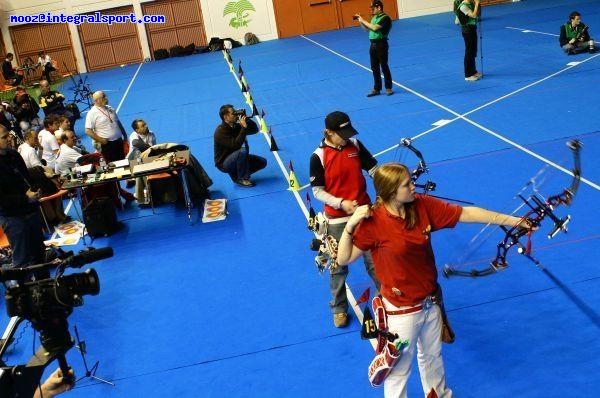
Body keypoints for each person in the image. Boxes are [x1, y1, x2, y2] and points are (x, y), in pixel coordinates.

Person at [337, 162, 532, 397]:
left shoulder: (420, 205)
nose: (413, 186)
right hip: (401, 311)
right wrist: (350, 226)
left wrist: (514, 221)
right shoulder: (373, 222)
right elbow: (344, 258)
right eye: (406, 184)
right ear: (390, 191)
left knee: (432, 357)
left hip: (430, 302)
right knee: (399, 370)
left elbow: (466, 213)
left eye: (411, 180)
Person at [309, 111, 380, 328]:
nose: (346, 137)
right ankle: (339, 307)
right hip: (338, 219)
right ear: (328, 133)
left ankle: (386, 299)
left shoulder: (355, 145)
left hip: (365, 213)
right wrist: (341, 203)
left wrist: (385, 188)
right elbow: (318, 191)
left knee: (375, 260)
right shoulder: (318, 156)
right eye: (341, 134)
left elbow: (374, 169)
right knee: (338, 265)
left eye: (348, 133)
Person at [0, 125, 46, 268]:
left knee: (40, 255)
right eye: (4, 137)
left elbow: (26, 179)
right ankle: (23, 289)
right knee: (22, 261)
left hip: (30, 211)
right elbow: (2, 200)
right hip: (13, 218)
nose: (9, 138)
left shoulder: (14, 155)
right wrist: (26, 198)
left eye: (8, 135)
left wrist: (35, 191)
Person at [85, 91, 135, 204]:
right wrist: (101, 140)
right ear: (96, 100)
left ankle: (127, 182)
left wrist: (124, 134)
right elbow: (88, 131)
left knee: (123, 164)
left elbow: (117, 122)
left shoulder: (110, 108)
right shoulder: (92, 113)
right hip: (107, 146)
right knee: (111, 170)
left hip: (118, 142)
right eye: (103, 97)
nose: (106, 98)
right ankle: (116, 195)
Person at [213, 105, 267, 187]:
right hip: (223, 163)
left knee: (262, 162)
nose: (235, 114)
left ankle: (236, 175)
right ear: (226, 117)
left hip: (235, 156)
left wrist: (246, 119)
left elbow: (254, 130)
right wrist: (243, 128)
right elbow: (236, 146)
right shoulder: (220, 131)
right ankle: (242, 178)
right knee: (242, 151)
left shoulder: (235, 126)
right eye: (233, 113)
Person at [354, 1, 394, 97]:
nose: (372, 10)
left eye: (373, 8)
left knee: (384, 66)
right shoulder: (374, 18)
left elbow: (375, 28)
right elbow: (367, 30)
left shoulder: (385, 18)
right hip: (372, 45)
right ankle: (377, 88)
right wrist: (361, 22)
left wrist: (363, 20)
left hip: (381, 44)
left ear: (379, 8)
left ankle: (388, 87)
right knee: (374, 67)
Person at [454, 0, 482, 81]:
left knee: (473, 51)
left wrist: (477, 5)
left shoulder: (470, 4)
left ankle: (473, 71)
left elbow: (477, 15)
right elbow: (473, 15)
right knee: (469, 52)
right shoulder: (463, 6)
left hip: (472, 28)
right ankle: (468, 75)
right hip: (467, 30)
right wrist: (477, 3)